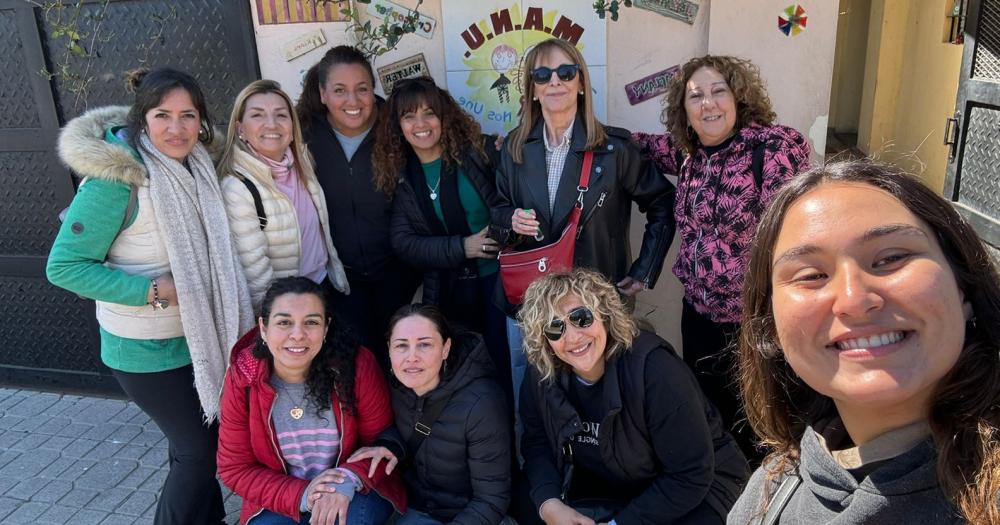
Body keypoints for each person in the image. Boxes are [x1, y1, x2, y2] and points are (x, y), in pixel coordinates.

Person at [728, 160, 1000, 524]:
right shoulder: (769, 491)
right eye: (811, 275)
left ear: (962, 286)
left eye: (891, 258)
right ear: (771, 328)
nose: (854, 300)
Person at [46, 68, 253, 525]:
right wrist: (155, 291)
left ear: (202, 121)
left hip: (200, 337)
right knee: (198, 453)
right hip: (143, 349)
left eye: (188, 116)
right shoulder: (116, 182)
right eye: (163, 115)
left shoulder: (198, 167)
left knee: (196, 448)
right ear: (142, 121)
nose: (176, 129)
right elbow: (64, 268)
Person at [632, 55, 811, 459]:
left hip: (753, 320)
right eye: (696, 96)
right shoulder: (687, 154)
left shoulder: (772, 149)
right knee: (709, 412)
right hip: (697, 314)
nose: (708, 104)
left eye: (718, 91)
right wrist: (584, 130)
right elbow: (638, 145)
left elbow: (795, 238)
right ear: (684, 110)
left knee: (760, 422)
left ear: (738, 97)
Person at [495, 38, 675, 418]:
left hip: (596, 304)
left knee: (601, 404)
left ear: (580, 82)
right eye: (542, 74)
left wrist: (644, 270)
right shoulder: (514, 149)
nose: (554, 81)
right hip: (532, 303)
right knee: (536, 403)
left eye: (565, 71)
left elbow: (662, 203)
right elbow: (496, 209)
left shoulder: (614, 149)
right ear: (532, 88)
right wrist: (508, 219)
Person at [517, 268, 748, 525]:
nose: (572, 337)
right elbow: (536, 442)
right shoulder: (542, 373)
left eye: (581, 318)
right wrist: (549, 504)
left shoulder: (656, 370)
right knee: (526, 503)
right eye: (555, 328)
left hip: (694, 487)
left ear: (604, 315)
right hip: (611, 485)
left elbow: (690, 474)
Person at [217, 277, 404, 525]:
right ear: (263, 328)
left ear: (326, 328)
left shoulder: (355, 365)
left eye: (311, 322)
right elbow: (235, 468)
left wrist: (347, 479)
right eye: (284, 322)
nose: (298, 335)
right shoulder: (243, 378)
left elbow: (381, 443)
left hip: (352, 488)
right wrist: (303, 494)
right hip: (282, 492)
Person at [371, 77, 510, 402]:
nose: (420, 124)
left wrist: (502, 232)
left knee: (506, 368)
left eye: (429, 113)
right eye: (409, 116)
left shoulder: (481, 152)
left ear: (444, 116)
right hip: (446, 290)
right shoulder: (402, 174)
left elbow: (511, 203)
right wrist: (463, 247)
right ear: (398, 126)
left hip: (499, 284)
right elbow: (404, 242)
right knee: (456, 375)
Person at [296, 45, 419, 373]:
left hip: (397, 272)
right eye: (339, 91)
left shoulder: (396, 128)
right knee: (355, 364)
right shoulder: (302, 135)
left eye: (362, 89)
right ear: (323, 93)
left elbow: (444, 141)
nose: (353, 101)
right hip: (338, 277)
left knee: (400, 358)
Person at [348, 304, 512, 525]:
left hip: (476, 516)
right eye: (401, 346)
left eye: (424, 345)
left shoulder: (482, 403)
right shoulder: (397, 385)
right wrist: (390, 445)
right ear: (389, 349)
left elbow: (492, 499)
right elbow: (403, 427)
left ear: (446, 348)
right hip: (418, 508)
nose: (411, 357)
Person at [217, 79, 350, 313]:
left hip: (323, 286)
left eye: (281, 115)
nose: (272, 124)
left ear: (292, 126)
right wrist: (279, 320)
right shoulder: (237, 187)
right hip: (289, 306)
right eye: (257, 115)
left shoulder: (302, 163)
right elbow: (256, 275)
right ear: (240, 129)